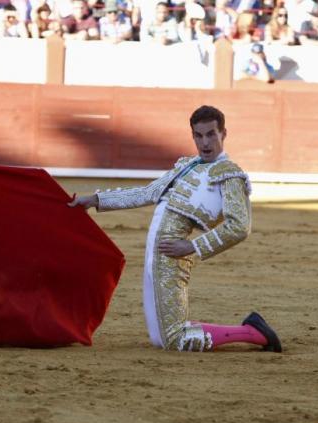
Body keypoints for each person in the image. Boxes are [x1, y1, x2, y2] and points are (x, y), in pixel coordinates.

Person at [68, 105, 282, 353]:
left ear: (224, 134)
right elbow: (147, 193)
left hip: (172, 257)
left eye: (211, 134)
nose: (205, 143)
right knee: (160, 338)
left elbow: (240, 226)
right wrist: (95, 200)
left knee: (174, 340)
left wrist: (192, 246)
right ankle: (235, 329)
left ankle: (253, 333)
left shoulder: (230, 175)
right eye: (198, 136)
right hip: (153, 255)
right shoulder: (187, 165)